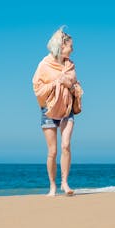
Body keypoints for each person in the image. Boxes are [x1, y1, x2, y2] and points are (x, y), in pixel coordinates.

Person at [32, 27, 83, 196]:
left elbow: (75, 84)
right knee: (53, 151)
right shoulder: (44, 65)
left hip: (67, 109)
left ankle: (65, 183)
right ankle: (52, 185)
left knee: (66, 145)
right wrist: (56, 84)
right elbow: (37, 87)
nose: (72, 49)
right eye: (70, 46)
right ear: (61, 46)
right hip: (49, 109)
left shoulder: (70, 65)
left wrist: (69, 84)